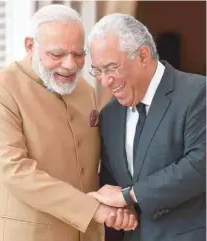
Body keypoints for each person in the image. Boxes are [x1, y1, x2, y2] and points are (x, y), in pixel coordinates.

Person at [0, 6, 138, 241]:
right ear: (30, 46)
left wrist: (121, 200)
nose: (70, 65)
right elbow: (15, 171)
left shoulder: (85, 90)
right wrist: (93, 209)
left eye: (78, 54)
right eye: (57, 54)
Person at [88, 13, 206, 241]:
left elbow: (200, 164)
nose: (104, 81)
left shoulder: (199, 93)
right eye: (98, 71)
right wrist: (118, 211)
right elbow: (112, 185)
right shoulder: (109, 116)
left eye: (111, 68)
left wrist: (130, 196)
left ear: (142, 55)